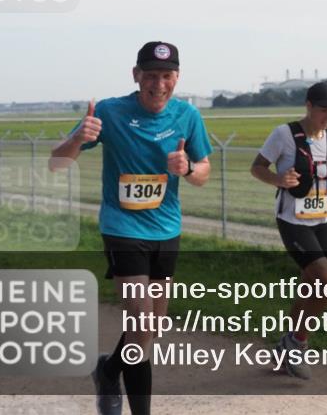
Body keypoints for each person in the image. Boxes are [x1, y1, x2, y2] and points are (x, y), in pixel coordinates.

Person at [50, 42, 211, 415]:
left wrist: (187, 169)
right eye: (151, 75)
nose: (158, 84)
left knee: (151, 328)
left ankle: (108, 370)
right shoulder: (109, 111)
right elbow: (56, 164)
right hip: (122, 227)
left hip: (166, 228)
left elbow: (204, 173)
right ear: (136, 75)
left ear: (177, 78)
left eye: (166, 76)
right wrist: (78, 138)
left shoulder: (187, 116)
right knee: (140, 325)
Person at [250, 81, 327, 380]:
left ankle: (285, 349)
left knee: (311, 285)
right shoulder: (284, 134)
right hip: (293, 221)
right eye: (324, 109)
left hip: (323, 219)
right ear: (308, 106)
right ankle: (297, 343)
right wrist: (278, 180)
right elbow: (257, 167)